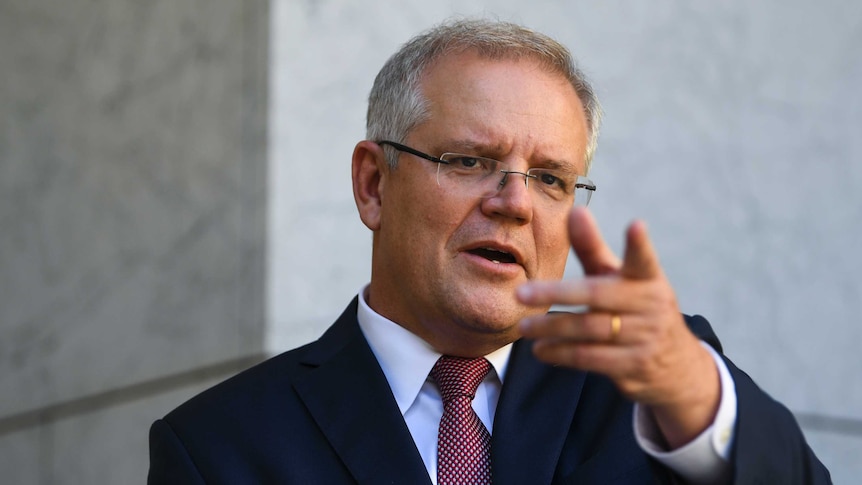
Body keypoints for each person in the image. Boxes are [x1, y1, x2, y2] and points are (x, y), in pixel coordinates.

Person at [148, 19, 830, 484]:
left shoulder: (653, 389)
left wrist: (701, 401)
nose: (516, 201)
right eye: (471, 160)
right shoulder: (221, 446)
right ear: (373, 183)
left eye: (551, 178)